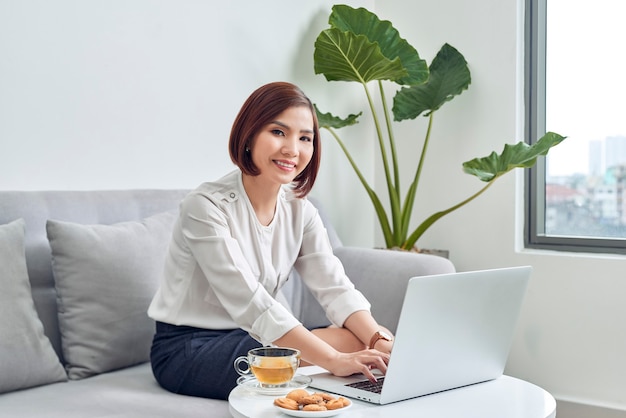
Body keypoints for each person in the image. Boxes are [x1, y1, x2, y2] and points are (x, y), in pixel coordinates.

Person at [147, 81, 393, 400]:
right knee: (336, 358)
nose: (293, 149)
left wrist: (380, 340)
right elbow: (251, 302)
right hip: (190, 348)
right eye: (279, 132)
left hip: (259, 336)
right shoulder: (205, 207)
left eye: (305, 138)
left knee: (364, 348)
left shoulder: (300, 211)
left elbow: (336, 288)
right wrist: (333, 359)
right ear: (249, 135)